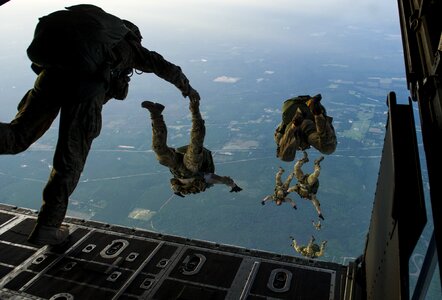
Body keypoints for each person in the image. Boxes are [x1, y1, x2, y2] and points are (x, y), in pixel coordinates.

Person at [0, 5, 200, 246]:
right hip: (84, 91)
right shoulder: (129, 47)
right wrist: (187, 88)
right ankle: (48, 227)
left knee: (17, 136)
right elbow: (165, 67)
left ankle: (48, 225)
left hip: (49, 78)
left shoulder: (92, 40)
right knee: (69, 161)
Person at [142, 99, 242, 197]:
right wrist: (233, 186)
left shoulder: (178, 185)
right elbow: (224, 180)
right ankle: (195, 111)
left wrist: (232, 185)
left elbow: (224, 181)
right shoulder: (207, 179)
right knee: (195, 147)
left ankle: (156, 115)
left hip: (177, 166)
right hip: (193, 167)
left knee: (159, 150)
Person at [275, 94, 336, 162]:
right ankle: (317, 112)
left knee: (285, 157)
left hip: (297, 129)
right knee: (328, 148)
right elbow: (283, 126)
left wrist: (293, 126)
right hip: (306, 128)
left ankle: (314, 114)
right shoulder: (282, 140)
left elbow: (284, 125)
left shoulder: (283, 142)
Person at [287, 151, 325, 220]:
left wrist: (286, 192)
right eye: (306, 199)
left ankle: (304, 159)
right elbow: (315, 203)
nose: (305, 198)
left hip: (301, 180)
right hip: (309, 182)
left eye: (305, 198)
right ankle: (316, 163)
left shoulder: (299, 191)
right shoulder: (310, 196)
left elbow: (291, 188)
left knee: (296, 168)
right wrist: (319, 212)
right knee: (317, 173)